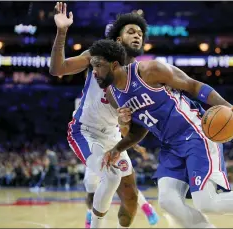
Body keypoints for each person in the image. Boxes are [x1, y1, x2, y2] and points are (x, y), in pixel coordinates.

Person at [88, 39, 233, 228]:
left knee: (207, 201)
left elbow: (194, 86)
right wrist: (118, 147)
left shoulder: (149, 71)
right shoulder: (115, 94)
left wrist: (228, 108)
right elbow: (140, 129)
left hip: (194, 133)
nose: (94, 71)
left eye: (98, 65)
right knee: (168, 202)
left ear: (114, 64)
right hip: (170, 146)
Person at [49, 3, 158, 228]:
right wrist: (61, 33)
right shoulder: (97, 55)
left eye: (140, 33)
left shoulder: (140, 75)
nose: (137, 35)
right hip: (85, 131)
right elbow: (57, 69)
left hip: (112, 135)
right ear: (117, 39)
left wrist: (126, 121)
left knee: (130, 195)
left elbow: (130, 124)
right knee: (111, 176)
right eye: (131, 31)